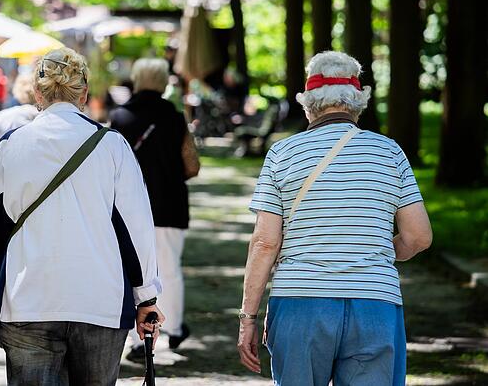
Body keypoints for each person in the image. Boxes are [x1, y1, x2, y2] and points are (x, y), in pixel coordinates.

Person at [0, 48, 164, 385]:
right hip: (99, 300)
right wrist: (145, 297)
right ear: (84, 93)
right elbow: (136, 230)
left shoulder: (11, 145)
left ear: (38, 92)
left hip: (27, 299)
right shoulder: (113, 147)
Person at [237, 51, 433, 385]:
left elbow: (266, 242)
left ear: (307, 103)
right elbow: (418, 237)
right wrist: (378, 254)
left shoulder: (282, 155)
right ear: (358, 102)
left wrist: (248, 318)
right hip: (375, 302)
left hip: (300, 302)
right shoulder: (390, 152)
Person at [109, 58, 200, 361]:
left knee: (131, 272)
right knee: (169, 268)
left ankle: (137, 340)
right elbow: (191, 164)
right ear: (163, 82)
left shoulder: (119, 117)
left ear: (135, 79)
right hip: (169, 202)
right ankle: (173, 328)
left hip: (126, 209)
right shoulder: (174, 116)